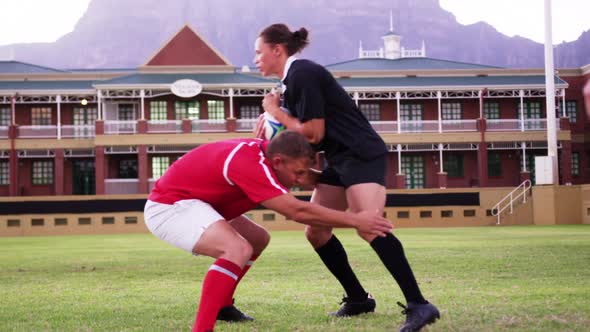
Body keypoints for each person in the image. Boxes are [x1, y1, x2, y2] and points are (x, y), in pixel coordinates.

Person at [254, 23, 440, 332]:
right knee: (316, 232)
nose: (257, 58)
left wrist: (275, 112)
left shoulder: (303, 73)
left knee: (369, 225)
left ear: (277, 50)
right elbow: (306, 139)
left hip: (361, 153)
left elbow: (314, 132)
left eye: (259, 52)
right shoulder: (290, 84)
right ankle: (358, 299)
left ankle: (420, 304)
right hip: (339, 159)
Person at [144, 130, 393, 332]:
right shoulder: (250, 164)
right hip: (170, 208)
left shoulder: (270, 156)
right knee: (236, 248)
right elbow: (297, 211)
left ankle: (223, 306)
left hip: (199, 204)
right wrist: (357, 220)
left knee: (258, 238)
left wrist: (347, 180)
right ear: (278, 162)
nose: (300, 179)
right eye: (297, 172)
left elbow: (306, 179)